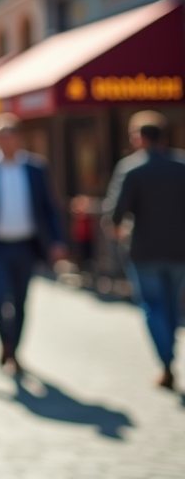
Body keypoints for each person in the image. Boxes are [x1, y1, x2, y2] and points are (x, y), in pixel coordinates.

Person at [0, 114, 67, 375]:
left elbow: (49, 207)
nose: (7, 141)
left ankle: (13, 351)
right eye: (1, 136)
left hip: (26, 245)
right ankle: (5, 342)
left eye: (11, 135)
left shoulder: (35, 168)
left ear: (19, 138)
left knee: (20, 301)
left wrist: (57, 240)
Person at [103, 110, 185, 390]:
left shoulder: (131, 168)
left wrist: (117, 233)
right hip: (178, 250)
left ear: (139, 138)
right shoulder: (181, 166)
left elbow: (115, 213)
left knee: (152, 305)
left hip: (144, 250)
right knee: (172, 306)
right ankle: (168, 359)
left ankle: (166, 360)